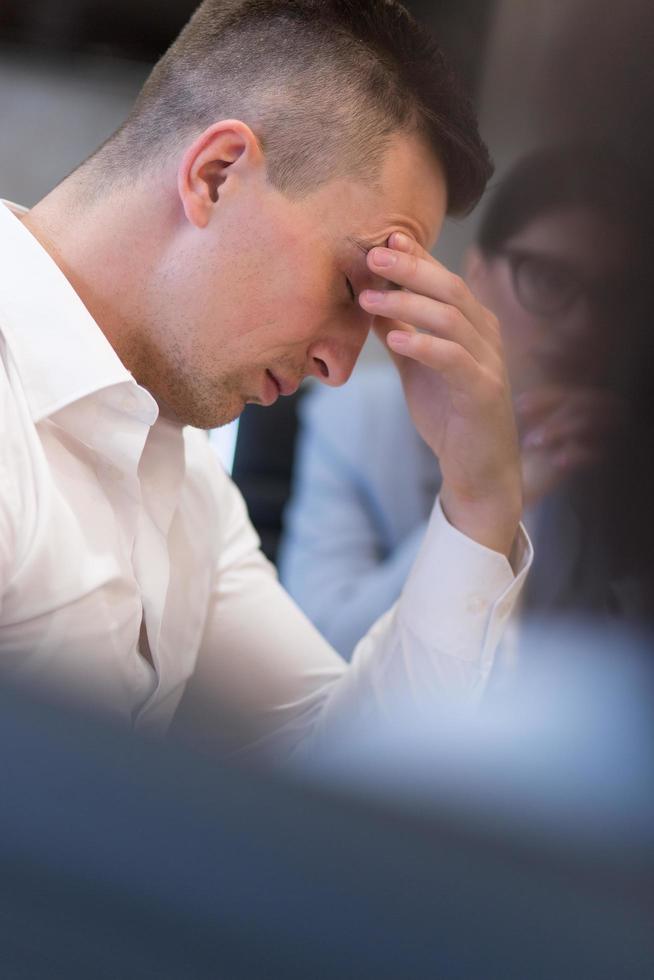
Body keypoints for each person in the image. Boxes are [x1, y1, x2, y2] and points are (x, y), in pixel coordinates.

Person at [0, 0, 531, 757]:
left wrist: (480, 501)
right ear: (216, 176)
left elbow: (348, 775)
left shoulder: (185, 481)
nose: (340, 369)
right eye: (355, 286)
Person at [279, 145, 643, 658]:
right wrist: (493, 498)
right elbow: (315, 644)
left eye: (614, 296)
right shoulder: (357, 415)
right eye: (548, 279)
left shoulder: (627, 452)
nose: (583, 324)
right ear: (477, 274)